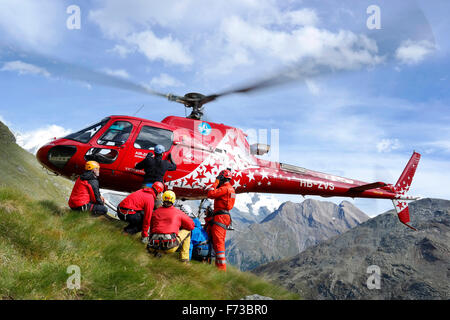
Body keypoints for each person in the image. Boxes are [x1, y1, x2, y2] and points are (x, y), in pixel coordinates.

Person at [146, 191, 195, 262]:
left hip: (153, 246)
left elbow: (151, 228)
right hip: (170, 247)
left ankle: (156, 254)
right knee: (188, 231)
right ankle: (184, 261)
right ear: (173, 200)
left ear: (163, 199)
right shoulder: (178, 212)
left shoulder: (155, 212)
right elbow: (191, 226)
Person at [205, 169, 236, 271]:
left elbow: (210, 194)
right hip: (224, 216)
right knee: (218, 240)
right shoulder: (231, 189)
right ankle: (217, 267)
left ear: (222, 178)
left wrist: (215, 183)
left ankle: (221, 269)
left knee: (218, 242)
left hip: (220, 217)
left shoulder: (224, 189)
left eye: (220, 178)